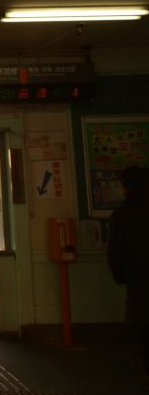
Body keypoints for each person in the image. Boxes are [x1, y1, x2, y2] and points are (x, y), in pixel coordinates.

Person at [107, 165, 149, 393]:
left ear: (127, 187)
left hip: (140, 279)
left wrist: (119, 274)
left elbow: (116, 251)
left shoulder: (123, 215)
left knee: (145, 329)